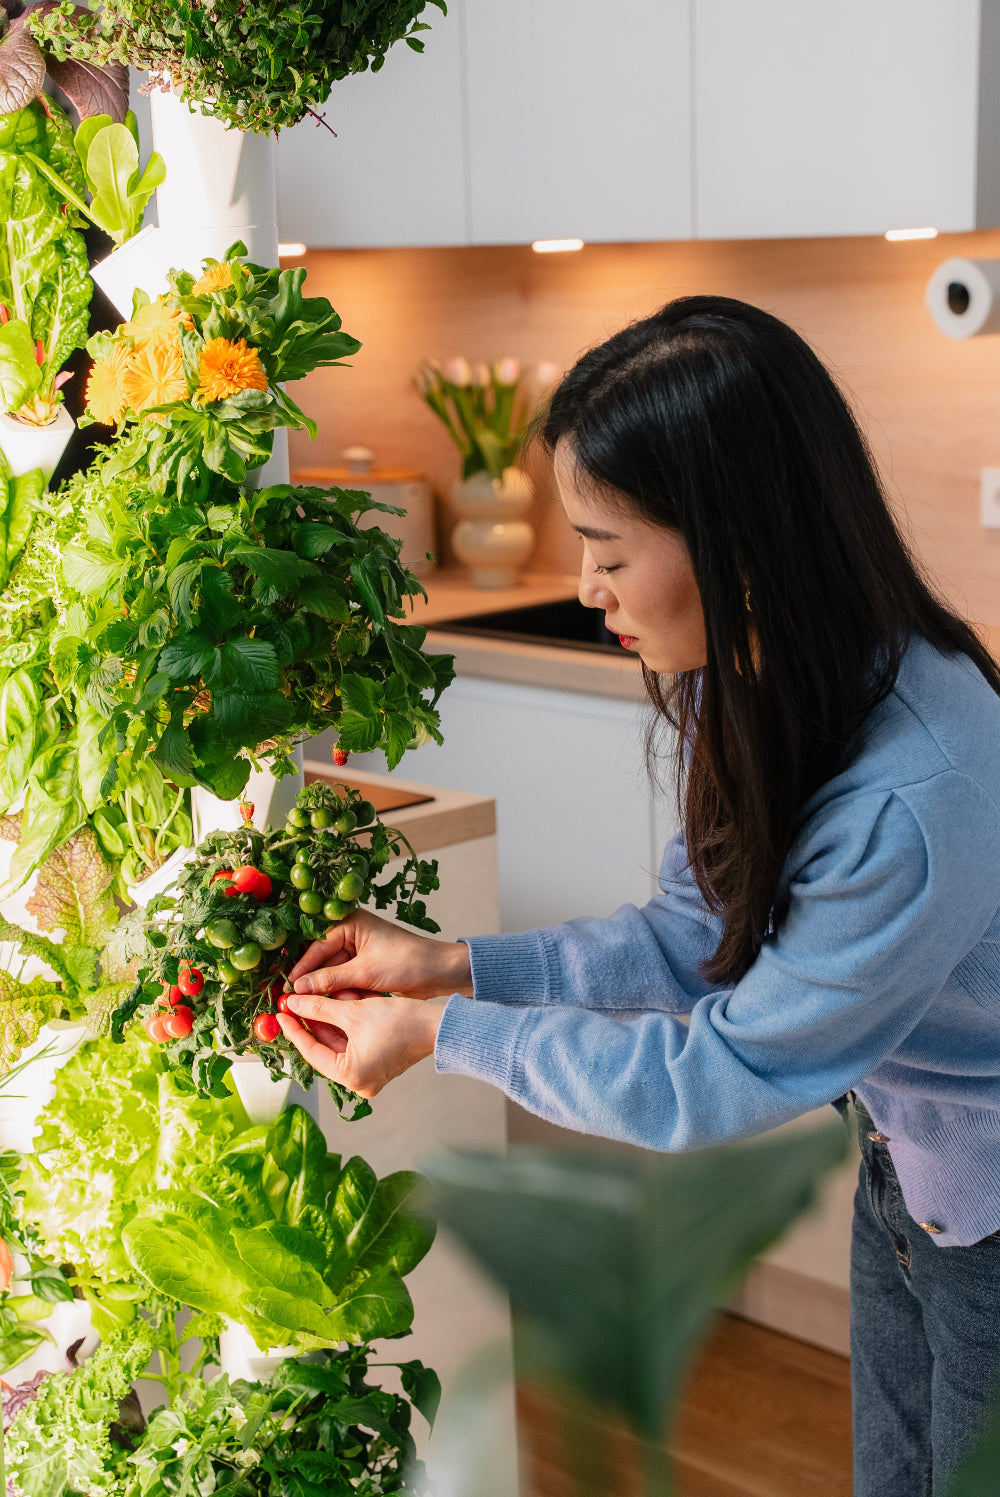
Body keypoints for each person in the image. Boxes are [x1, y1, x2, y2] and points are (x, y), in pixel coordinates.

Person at [278, 295, 1000, 1497]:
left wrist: (444, 1037)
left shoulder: (907, 797)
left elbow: (716, 1072)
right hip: (910, 1171)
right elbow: (693, 935)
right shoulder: (764, 674)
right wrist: (453, 964)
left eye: (609, 553)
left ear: (741, 548)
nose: (586, 586)